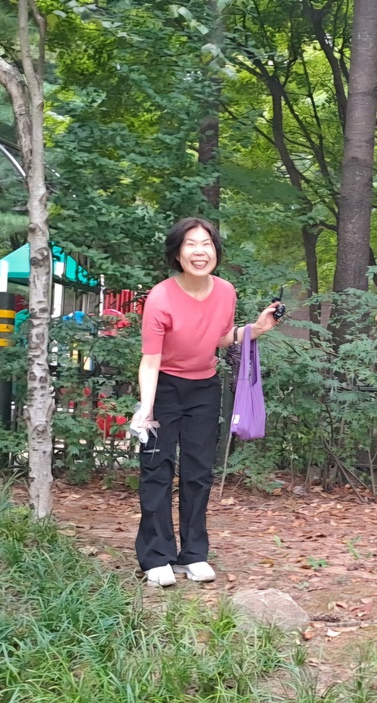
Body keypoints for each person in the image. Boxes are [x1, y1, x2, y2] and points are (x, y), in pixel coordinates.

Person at [130, 217, 279, 587]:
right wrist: (146, 408)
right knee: (157, 468)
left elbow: (222, 337)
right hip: (164, 387)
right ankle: (156, 557)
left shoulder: (226, 291)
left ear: (216, 250)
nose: (200, 252)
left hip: (204, 387)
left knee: (198, 472)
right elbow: (150, 360)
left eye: (207, 244)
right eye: (190, 244)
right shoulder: (160, 297)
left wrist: (257, 328)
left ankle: (193, 554)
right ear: (177, 253)